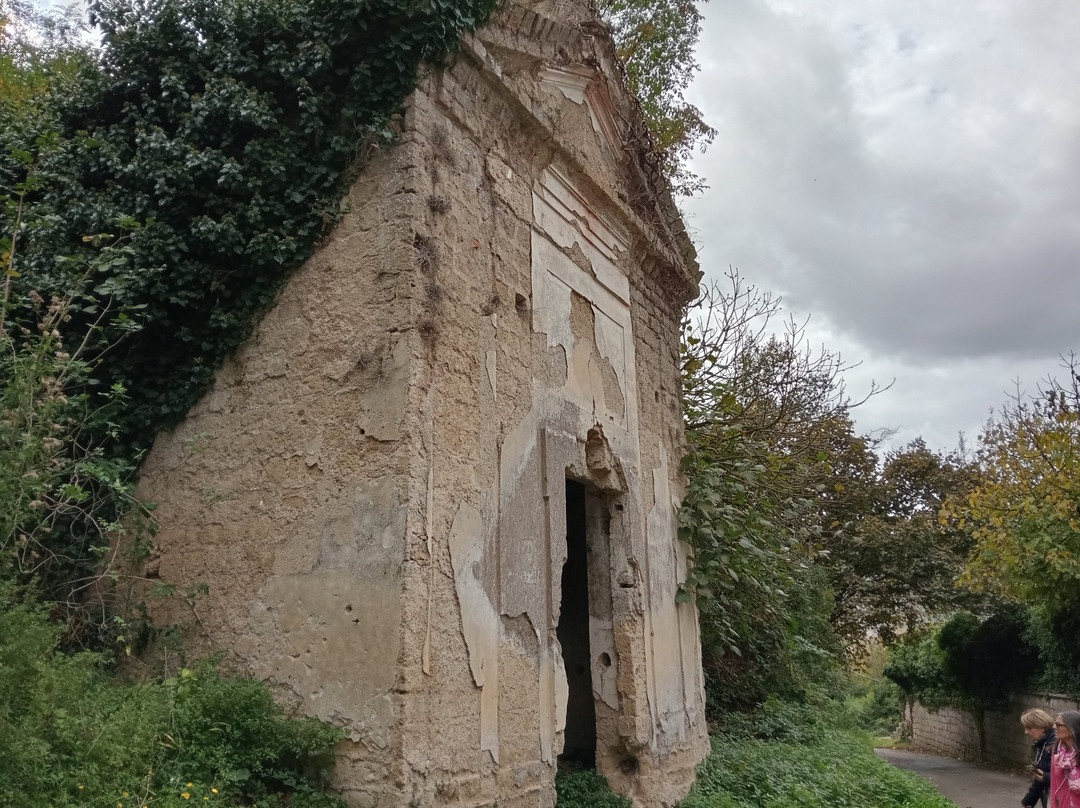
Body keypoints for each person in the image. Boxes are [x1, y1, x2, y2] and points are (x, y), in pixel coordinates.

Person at [1021, 708, 1056, 808]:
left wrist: (1045, 777)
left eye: (1029, 728)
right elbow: (1040, 775)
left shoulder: (1053, 745)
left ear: (1042, 727)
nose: (1026, 732)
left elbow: (1064, 777)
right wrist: (1029, 801)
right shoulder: (1044, 743)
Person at [1051, 711, 1080, 808]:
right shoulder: (1056, 753)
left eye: (1058, 724)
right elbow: (1054, 786)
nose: (1054, 727)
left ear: (1071, 729)